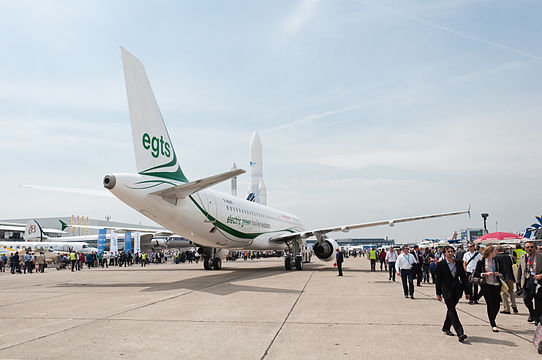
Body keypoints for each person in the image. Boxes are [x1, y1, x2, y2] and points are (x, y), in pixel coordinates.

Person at [435, 245, 470, 342]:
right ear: (445, 253)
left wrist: (467, 291)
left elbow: (463, 278)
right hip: (446, 290)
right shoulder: (440, 264)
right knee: (452, 310)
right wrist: (438, 293)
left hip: (457, 290)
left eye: (452, 251)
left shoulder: (458, 263)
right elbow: (438, 280)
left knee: (451, 309)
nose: (450, 253)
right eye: (448, 251)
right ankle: (460, 332)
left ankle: (446, 327)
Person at [474, 245, 502, 332]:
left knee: (497, 304)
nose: (496, 252)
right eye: (494, 251)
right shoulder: (481, 261)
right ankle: (493, 323)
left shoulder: (496, 261)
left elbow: (502, 272)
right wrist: (485, 274)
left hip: (496, 283)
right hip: (486, 284)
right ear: (490, 252)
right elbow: (477, 273)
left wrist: (499, 274)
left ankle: (492, 318)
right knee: (490, 304)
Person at [516, 241, 542, 325]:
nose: (530, 249)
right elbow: (519, 271)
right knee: (526, 299)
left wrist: (541, 275)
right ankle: (532, 312)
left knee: (538, 300)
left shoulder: (540, 256)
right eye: (527, 247)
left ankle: (537, 318)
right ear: (524, 248)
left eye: (531, 247)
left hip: (538, 280)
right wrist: (518, 283)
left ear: (534, 248)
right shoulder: (522, 257)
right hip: (526, 281)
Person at [495, 245, 517, 314]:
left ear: (497, 251)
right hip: (510, 276)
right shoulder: (509, 256)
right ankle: (514, 306)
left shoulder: (496, 258)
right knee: (511, 291)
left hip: (502, 277)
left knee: (503, 292)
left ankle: (507, 308)